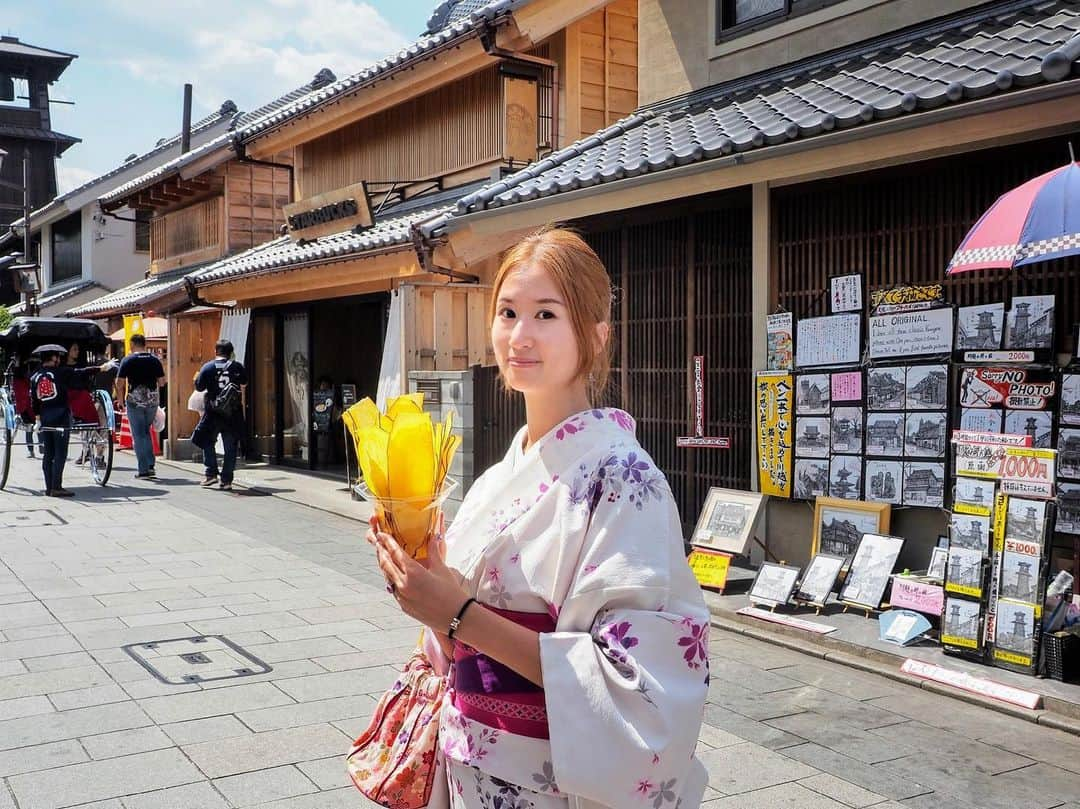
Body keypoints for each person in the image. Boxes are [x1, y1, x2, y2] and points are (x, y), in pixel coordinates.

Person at [370, 228, 709, 808]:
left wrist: (457, 614)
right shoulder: (497, 478)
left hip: (550, 779)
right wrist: (428, 582)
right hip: (468, 762)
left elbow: (630, 682)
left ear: (596, 335)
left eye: (546, 314)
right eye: (507, 312)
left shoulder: (625, 480)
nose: (519, 335)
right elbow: (458, 639)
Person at [29, 344, 110, 497]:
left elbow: (34, 400)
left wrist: (38, 419)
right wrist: (101, 368)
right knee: (60, 453)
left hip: (45, 418)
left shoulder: (35, 376)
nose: (59, 359)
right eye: (57, 357)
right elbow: (80, 372)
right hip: (60, 416)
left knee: (49, 453)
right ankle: (56, 486)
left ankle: (49, 486)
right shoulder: (61, 372)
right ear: (53, 358)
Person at [193, 339, 247, 491]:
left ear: (215, 351)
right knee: (230, 446)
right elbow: (244, 383)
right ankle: (226, 480)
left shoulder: (208, 367)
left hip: (213, 411)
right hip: (233, 412)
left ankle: (211, 474)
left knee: (207, 440)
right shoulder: (237, 367)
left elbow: (199, 387)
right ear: (231, 353)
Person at [117, 334, 165, 479]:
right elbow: (162, 382)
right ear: (144, 344)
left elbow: (119, 384)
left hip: (135, 401)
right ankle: (150, 464)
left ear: (132, 344)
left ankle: (143, 469)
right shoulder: (154, 360)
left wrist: (120, 401)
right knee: (146, 431)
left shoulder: (128, 360)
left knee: (138, 435)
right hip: (152, 400)